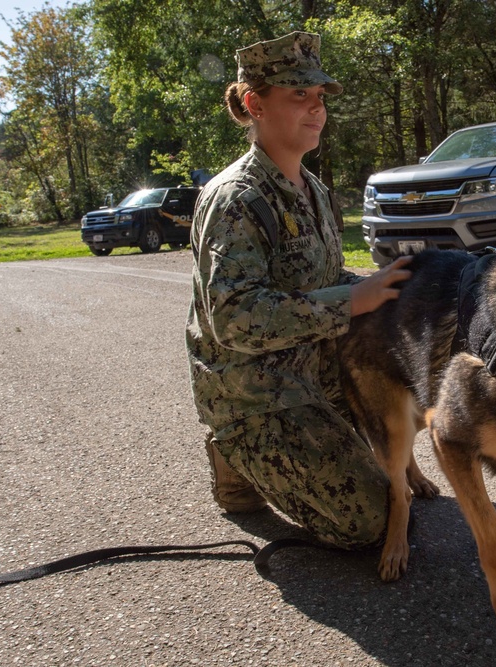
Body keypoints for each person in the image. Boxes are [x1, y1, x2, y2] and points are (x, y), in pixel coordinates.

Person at [186, 31, 412, 550]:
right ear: (255, 105)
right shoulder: (235, 198)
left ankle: (294, 445)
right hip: (254, 392)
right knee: (372, 521)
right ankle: (234, 450)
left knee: (397, 463)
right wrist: (352, 301)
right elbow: (234, 317)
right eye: (299, 95)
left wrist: (388, 286)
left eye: (320, 96)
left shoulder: (313, 190)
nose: (316, 108)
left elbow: (324, 283)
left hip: (312, 368)